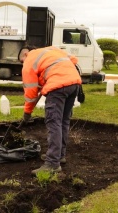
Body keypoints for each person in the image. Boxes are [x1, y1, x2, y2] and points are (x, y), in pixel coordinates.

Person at [19, 45, 82, 175]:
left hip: (57, 87)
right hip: (74, 83)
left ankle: (52, 163)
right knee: (63, 121)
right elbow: (74, 60)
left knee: (54, 123)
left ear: (25, 54)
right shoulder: (52, 50)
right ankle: (60, 156)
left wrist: (27, 112)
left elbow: (31, 93)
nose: (22, 64)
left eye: (21, 61)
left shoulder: (29, 60)